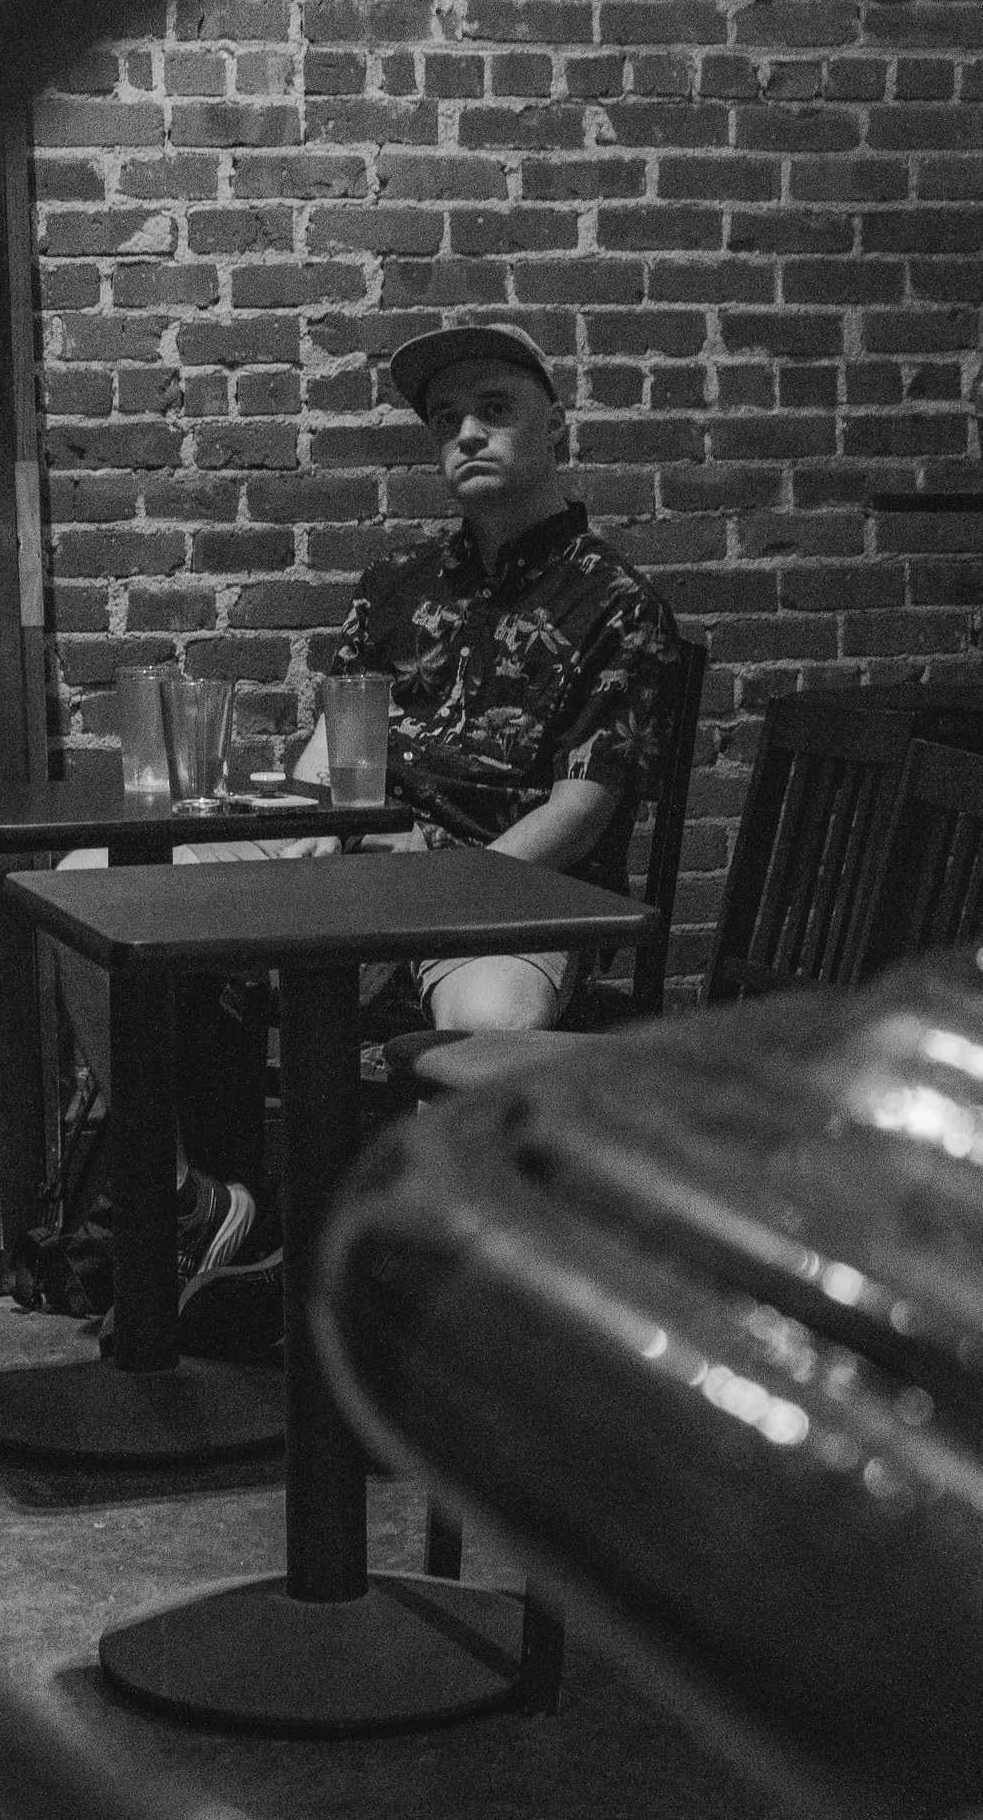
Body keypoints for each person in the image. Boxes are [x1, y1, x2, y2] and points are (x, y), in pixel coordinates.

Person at [58, 321, 681, 1279]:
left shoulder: (615, 601)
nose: (466, 433)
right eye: (445, 420)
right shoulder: (397, 584)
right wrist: (300, 821)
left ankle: (423, 1286)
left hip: (508, 895)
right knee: (87, 883)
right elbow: (331, 747)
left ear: (554, 426)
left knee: (492, 1031)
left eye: (493, 409)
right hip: (366, 862)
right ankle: (183, 1201)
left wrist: (440, 893)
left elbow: (584, 804)